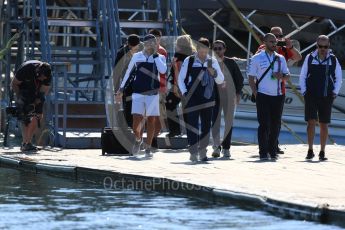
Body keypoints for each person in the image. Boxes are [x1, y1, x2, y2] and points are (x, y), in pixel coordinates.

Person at [116, 34, 167, 157]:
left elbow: (163, 71)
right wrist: (121, 89)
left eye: (153, 42)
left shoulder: (160, 57)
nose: (151, 45)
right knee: (136, 121)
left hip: (152, 93)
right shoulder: (137, 56)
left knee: (151, 120)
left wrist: (155, 56)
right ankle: (138, 139)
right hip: (138, 92)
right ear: (144, 43)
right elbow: (128, 73)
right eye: (148, 42)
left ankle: (148, 146)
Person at [178, 37, 224, 162]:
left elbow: (220, 80)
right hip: (192, 97)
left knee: (205, 125)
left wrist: (212, 72)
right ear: (197, 48)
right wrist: (185, 92)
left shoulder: (212, 61)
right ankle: (193, 151)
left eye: (205, 49)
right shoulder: (190, 60)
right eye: (200, 49)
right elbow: (181, 79)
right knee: (192, 124)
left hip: (208, 97)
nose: (203, 52)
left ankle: (203, 151)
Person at [258, 26, 302, 154]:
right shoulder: (262, 49)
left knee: (276, 121)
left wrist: (290, 46)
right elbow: (256, 59)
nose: (276, 39)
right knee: (265, 121)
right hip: (264, 90)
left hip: (279, 90)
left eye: (279, 36)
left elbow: (298, 58)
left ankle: (274, 146)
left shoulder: (284, 50)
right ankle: (264, 146)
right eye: (274, 36)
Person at [299, 35, 342, 161]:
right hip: (311, 95)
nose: (323, 49)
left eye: (326, 46)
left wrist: (335, 92)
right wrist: (304, 91)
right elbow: (302, 76)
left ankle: (322, 151)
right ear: (316, 46)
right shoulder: (309, 57)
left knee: (324, 124)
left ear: (329, 46)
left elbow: (338, 78)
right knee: (310, 122)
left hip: (326, 96)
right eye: (320, 46)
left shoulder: (333, 59)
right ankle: (310, 149)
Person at [248, 33, 290, 160]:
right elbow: (251, 78)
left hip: (278, 95)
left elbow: (287, 76)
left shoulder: (280, 58)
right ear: (265, 42)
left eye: (275, 42)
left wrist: (281, 77)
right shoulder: (256, 58)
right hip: (263, 95)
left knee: (276, 124)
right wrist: (256, 92)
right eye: (271, 41)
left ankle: (273, 150)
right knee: (264, 124)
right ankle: (263, 151)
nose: (274, 44)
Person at [211, 40, 244, 158]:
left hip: (229, 97)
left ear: (224, 49)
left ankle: (226, 148)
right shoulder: (210, 63)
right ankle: (216, 147)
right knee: (215, 122)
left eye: (220, 48)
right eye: (215, 49)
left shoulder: (231, 62)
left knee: (228, 123)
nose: (217, 51)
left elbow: (239, 79)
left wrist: (238, 94)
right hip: (214, 97)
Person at [10, 60, 52, 151]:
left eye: (44, 79)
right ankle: (25, 143)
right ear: (37, 73)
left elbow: (43, 93)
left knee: (37, 116)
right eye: (41, 78)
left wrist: (38, 104)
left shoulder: (48, 76)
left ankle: (28, 142)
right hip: (23, 89)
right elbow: (14, 84)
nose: (42, 80)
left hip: (36, 91)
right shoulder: (26, 69)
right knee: (25, 116)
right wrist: (20, 98)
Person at [166, 34, 195, 137]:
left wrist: (175, 87)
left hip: (179, 86)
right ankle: (190, 133)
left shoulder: (179, 57)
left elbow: (178, 74)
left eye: (177, 44)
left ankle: (175, 130)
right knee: (186, 110)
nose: (175, 45)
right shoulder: (192, 55)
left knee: (169, 105)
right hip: (190, 86)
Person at [112, 34, 141, 128]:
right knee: (129, 105)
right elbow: (116, 72)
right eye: (132, 47)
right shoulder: (122, 52)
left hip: (138, 82)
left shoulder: (142, 51)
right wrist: (117, 90)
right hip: (128, 83)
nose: (133, 49)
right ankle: (129, 126)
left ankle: (135, 126)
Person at [148, 29, 168, 150]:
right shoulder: (143, 50)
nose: (155, 39)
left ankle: (153, 138)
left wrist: (163, 86)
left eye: (157, 37)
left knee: (160, 115)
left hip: (159, 86)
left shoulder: (162, 51)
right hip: (145, 87)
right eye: (153, 37)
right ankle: (150, 138)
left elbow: (163, 71)